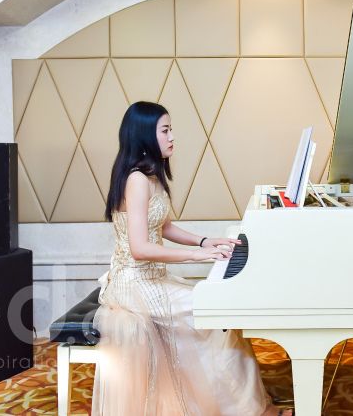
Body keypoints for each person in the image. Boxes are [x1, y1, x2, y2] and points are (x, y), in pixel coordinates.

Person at [91, 101, 293, 415]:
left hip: (154, 278)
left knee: (218, 317)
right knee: (215, 317)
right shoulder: (136, 180)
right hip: (134, 284)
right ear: (145, 134)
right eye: (165, 130)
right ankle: (243, 409)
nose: (172, 136)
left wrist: (204, 240)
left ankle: (228, 404)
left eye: (171, 129)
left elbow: (164, 226)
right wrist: (197, 255)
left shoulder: (151, 176)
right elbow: (139, 248)